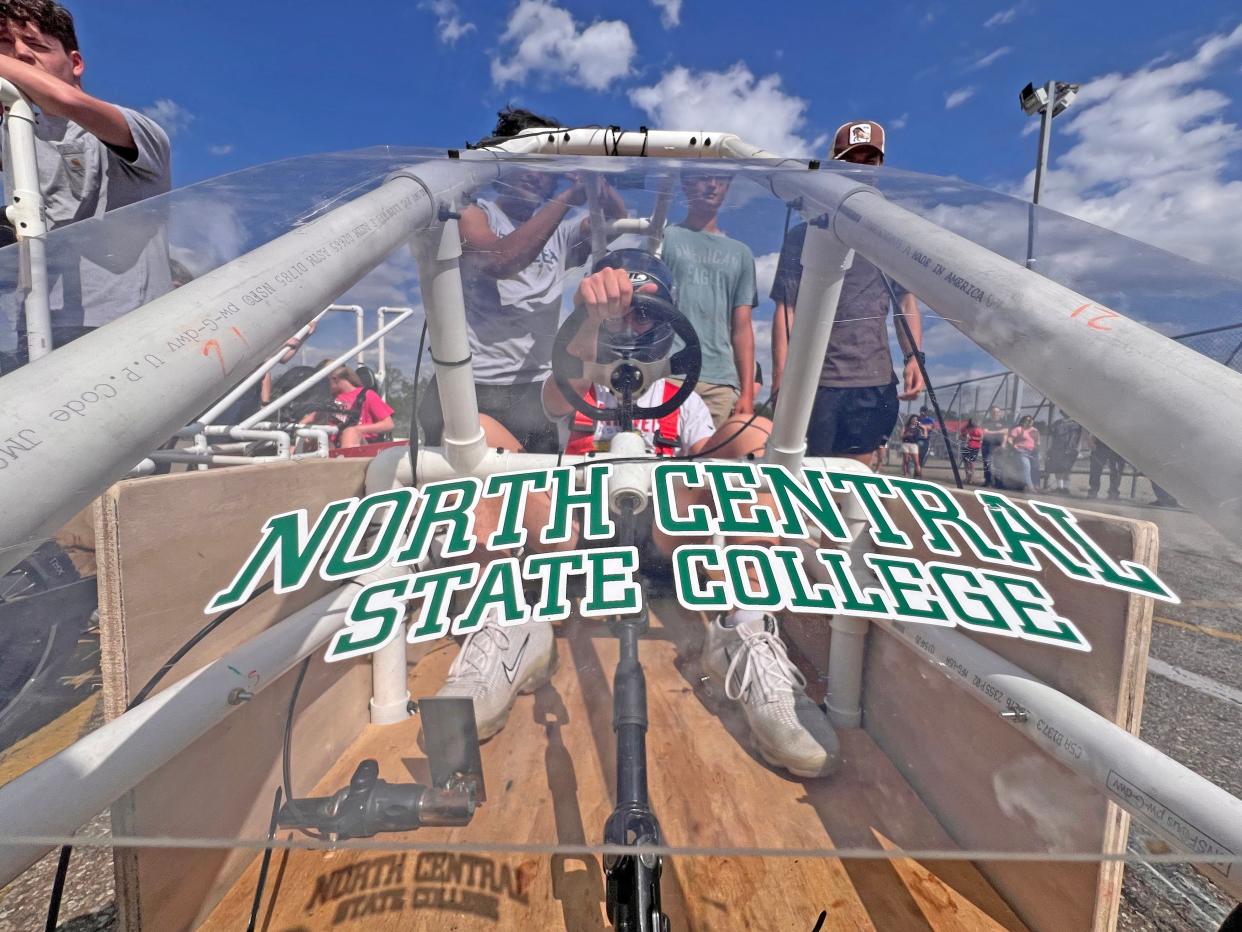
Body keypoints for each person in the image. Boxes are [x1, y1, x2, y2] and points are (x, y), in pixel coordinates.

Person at [433, 253, 841, 779]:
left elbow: (709, 464)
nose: (629, 325)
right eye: (618, 313)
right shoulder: (573, 379)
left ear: (666, 320)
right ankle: (508, 624)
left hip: (668, 539)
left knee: (754, 435)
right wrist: (587, 324)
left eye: (641, 313)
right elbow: (553, 404)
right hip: (574, 540)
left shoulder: (682, 397)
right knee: (482, 436)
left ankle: (743, 631)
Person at [418, 106, 626, 453]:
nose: (534, 176)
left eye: (545, 170)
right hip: (466, 388)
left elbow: (617, 219)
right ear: (505, 168)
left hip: (535, 393)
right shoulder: (472, 213)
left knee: (536, 495)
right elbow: (501, 260)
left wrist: (594, 182)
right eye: (526, 164)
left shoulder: (561, 236)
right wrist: (567, 196)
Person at [0, 0, 171, 356]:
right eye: (4, 44)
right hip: (31, 326)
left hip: (127, 327)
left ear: (75, 63)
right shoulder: (10, 134)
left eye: (36, 45)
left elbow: (64, 100)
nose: (19, 56)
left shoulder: (135, 129)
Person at [770, 120, 926, 469]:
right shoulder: (804, 234)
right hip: (816, 381)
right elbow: (786, 310)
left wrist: (914, 357)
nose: (860, 167)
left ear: (880, 166)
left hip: (871, 380)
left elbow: (905, 300)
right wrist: (783, 378)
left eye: (869, 159)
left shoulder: (890, 235)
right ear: (834, 164)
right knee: (804, 476)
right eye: (850, 158)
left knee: (854, 476)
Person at [660, 167, 758, 428]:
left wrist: (747, 393)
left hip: (721, 383)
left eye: (721, 179)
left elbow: (742, 327)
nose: (712, 185)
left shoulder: (741, 253)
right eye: (703, 177)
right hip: (668, 373)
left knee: (714, 463)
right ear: (686, 183)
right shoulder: (664, 238)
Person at [325, 365, 394, 449]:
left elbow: (388, 424)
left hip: (363, 445)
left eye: (325, 382)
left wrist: (358, 429)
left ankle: (345, 460)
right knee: (312, 435)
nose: (323, 386)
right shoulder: (328, 400)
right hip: (334, 445)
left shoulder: (367, 395)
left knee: (350, 432)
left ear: (335, 379)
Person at [1045, 413, 1083, 495]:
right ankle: (1060, 487)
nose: (1066, 413)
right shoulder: (1057, 423)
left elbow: (1080, 437)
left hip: (1071, 449)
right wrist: (1049, 448)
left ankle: (1066, 488)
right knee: (1058, 469)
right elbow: (1052, 437)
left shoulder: (1077, 424)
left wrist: (1079, 449)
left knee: (1067, 469)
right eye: (1063, 411)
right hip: (1057, 449)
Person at [1006, 415, 1040, 492]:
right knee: (1026, 468)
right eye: (1027, 420)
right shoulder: (1018, 429)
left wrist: (1037, 450)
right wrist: (1014, 447)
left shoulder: (1035, 431)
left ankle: (1033, 485)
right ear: (1023, 421)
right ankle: (1030, 487)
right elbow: (1010, 439)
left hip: (1032, 452)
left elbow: (1038, 442)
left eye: (1031, 420)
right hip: (1021, 451)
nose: (1030, 421)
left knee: (1034, 468)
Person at [1087, 433, 1126, 500]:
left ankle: (1113, 492)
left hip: (1118, 444)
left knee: (1116, 471)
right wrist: (1091, 439)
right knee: (1096, 469)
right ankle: (1093, 491)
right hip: (1101, 443)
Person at [979, 405, 1008, 488]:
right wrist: (999, 432)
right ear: (991, 412)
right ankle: (988, 481)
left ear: (1000, 413)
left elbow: (1006, 432)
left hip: (999, 445)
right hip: (987, 445)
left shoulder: (1003, 421)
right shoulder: (986, 421)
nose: (996, 413)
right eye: (994, 411)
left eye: (997, 412)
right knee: (987, 463)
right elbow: (985, 432)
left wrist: (1003, 443)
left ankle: (999, 482)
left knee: (999, 464)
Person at [959, 418, 983, 484]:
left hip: (975, 447)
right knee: (966, 462)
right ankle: (967, 477)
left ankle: (971, 478)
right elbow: (960, 436)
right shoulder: (965, 428)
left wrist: (972, 438)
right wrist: (964, 437)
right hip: (965, 447)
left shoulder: (978, 429)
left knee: (971, 462)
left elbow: (981, 438)